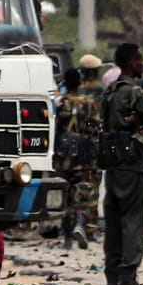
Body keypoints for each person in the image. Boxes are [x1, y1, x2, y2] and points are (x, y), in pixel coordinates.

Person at [98, 43, 143, 285]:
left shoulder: (109, 92)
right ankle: (128, 279)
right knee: (134, 221)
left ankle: (112, 281)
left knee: (113, 223)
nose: (142, 64)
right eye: (139, 59)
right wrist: (140, 123)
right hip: (133, 164)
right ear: (130, 62)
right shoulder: (134, 92)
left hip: (112, 164)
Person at [54, 59, 102, 250]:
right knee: (83, 192)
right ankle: (81, 225)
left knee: (66, 195)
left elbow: (54, 127)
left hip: (62, 156)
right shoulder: (89, 104)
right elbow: (95, 127)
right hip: (83, 155)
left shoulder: (59, 103)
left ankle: (67, 238)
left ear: (65, 83)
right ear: (79, 82)